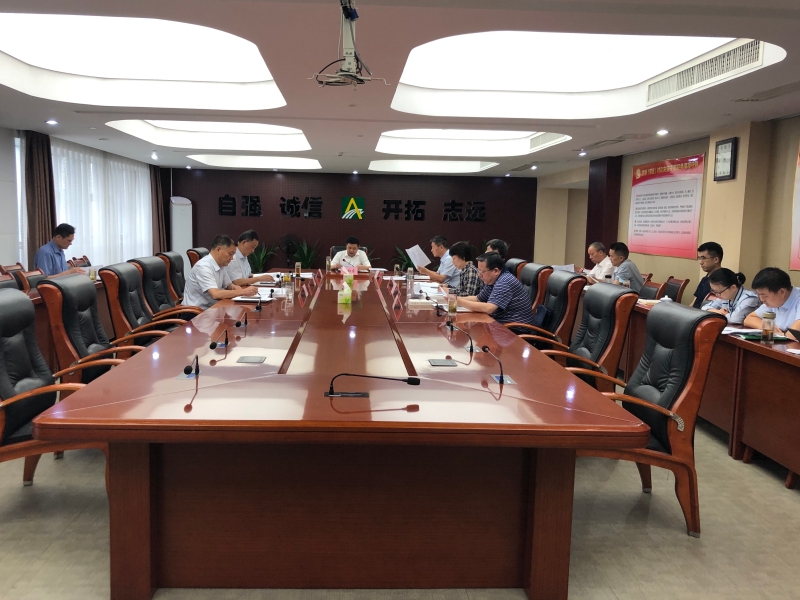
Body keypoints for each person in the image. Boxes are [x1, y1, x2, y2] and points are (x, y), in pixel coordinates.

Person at [457, 252, 536, 329]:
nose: (479, 275)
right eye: (479, 271)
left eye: (482, 271)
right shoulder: (492, 280)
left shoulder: (504, 281)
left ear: (496, 271)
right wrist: (454, 298)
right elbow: (478, 299)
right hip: (500, 324)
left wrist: (458, 301)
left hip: (514, 329)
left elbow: (489, 309)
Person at [183, 235, 258, 309]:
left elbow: (228, 285)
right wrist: (243, 292)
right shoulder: (203, 266)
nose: (232, 258)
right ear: (218, 249)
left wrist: (234, 287)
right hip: (196, 312)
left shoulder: (220, 265)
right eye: (230, 254)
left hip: (212, 308)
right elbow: (215, 294)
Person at [743, 267, 800, 340]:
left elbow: (793, 335)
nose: (761, 299)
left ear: (782, 292)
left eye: (764, 295)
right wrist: (769, 328)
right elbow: (749, 319)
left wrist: (780, 334)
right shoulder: (774, 301)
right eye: (758, 294)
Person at [693, 242, 723, 308]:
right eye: (699, 258)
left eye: (703, 258)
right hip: (694, 312)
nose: (700, 262)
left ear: (716, 259)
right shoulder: (705, 279)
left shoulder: (723, 282)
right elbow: (694, 302)